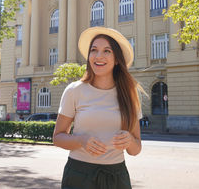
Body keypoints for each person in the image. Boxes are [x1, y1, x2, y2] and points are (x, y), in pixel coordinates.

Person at [53, 27, 144, 189]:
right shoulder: (74, 90)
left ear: (117, 59)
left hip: (117, 177)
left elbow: (136, 149)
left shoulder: (129, 94)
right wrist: (81, 140)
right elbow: (58, 137)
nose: (98, 56)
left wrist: (129, 140)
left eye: (107, 51)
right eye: (93, 50)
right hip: (78, 175)